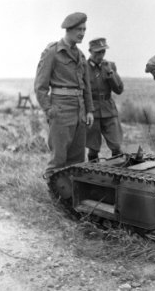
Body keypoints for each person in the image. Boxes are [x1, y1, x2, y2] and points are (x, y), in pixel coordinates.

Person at [34, 12, 94, 181]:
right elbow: (40, 86)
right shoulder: (53, 52)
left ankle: (70, 198)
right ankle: (54, 195)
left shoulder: (81, 56)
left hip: (80, 111)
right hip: (60, 109)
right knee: (58, 159)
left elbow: (86, 87)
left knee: (77, 160)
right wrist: (49, 109)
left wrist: (89, 110)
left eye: (84, 29)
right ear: (69, 30)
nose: (82, 33)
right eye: (79, 29)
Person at [86, 37, 124, 161]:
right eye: (98, 52)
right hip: (92, 111)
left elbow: (119, 89)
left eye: (103, 52)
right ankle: (92, 174)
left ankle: (118, 174)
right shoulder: (84, 68)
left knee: (117, 146)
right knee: (93, 147)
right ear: (90, 51)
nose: (101, 55)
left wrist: (110, 73)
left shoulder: (110, 66)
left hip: (109, 110)